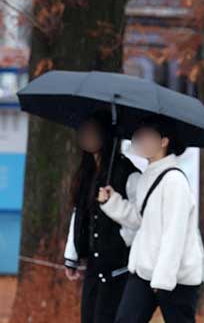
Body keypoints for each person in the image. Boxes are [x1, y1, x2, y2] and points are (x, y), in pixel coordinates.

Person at [97, 114, 204, 323]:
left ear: (164, 142)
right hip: (144, 271)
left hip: (175, 277)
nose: (138, 139)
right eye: (138, 135)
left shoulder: (174, 180)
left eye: (146, 135)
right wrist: (111, 202)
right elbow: (140, 220)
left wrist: (163, 279)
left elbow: (174, 234)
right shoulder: (147, 176)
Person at [63, 111, 141, 323]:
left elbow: (139, 219)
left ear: (106, 134)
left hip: (119, 268)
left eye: (93, 131)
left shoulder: (128, 174)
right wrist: (72, 254)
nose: (86, 136)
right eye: (83, 131)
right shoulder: (86, 173)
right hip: (93, 267)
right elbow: (79, 214)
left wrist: (121, 240)